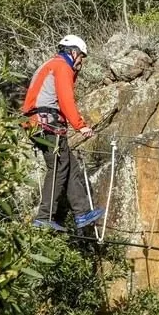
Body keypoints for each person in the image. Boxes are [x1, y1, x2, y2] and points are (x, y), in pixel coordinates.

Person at [22, 35, 104, 231]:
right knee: (59, 167)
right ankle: (44, 216)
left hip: (38, 123)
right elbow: (66, 99)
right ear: (73, 52)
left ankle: (82, 213)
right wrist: (80, 125)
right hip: (46, 123)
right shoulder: (61, 66)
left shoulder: (53, 64)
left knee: (70, 167)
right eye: (81, 57)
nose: (81, 62)